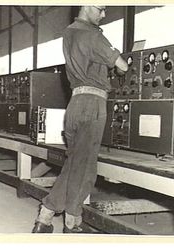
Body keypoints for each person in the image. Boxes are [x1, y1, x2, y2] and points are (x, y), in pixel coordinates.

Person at [32, 5, 128, 234]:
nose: (104, 15)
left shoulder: (69, 33)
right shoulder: (93, 35)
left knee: (74, 163)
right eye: (102, 9)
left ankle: (44, 219)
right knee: (85, 168)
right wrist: (119, 69)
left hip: (74, 105)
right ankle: (72, 223)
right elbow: (122, 65)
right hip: (92, 105)